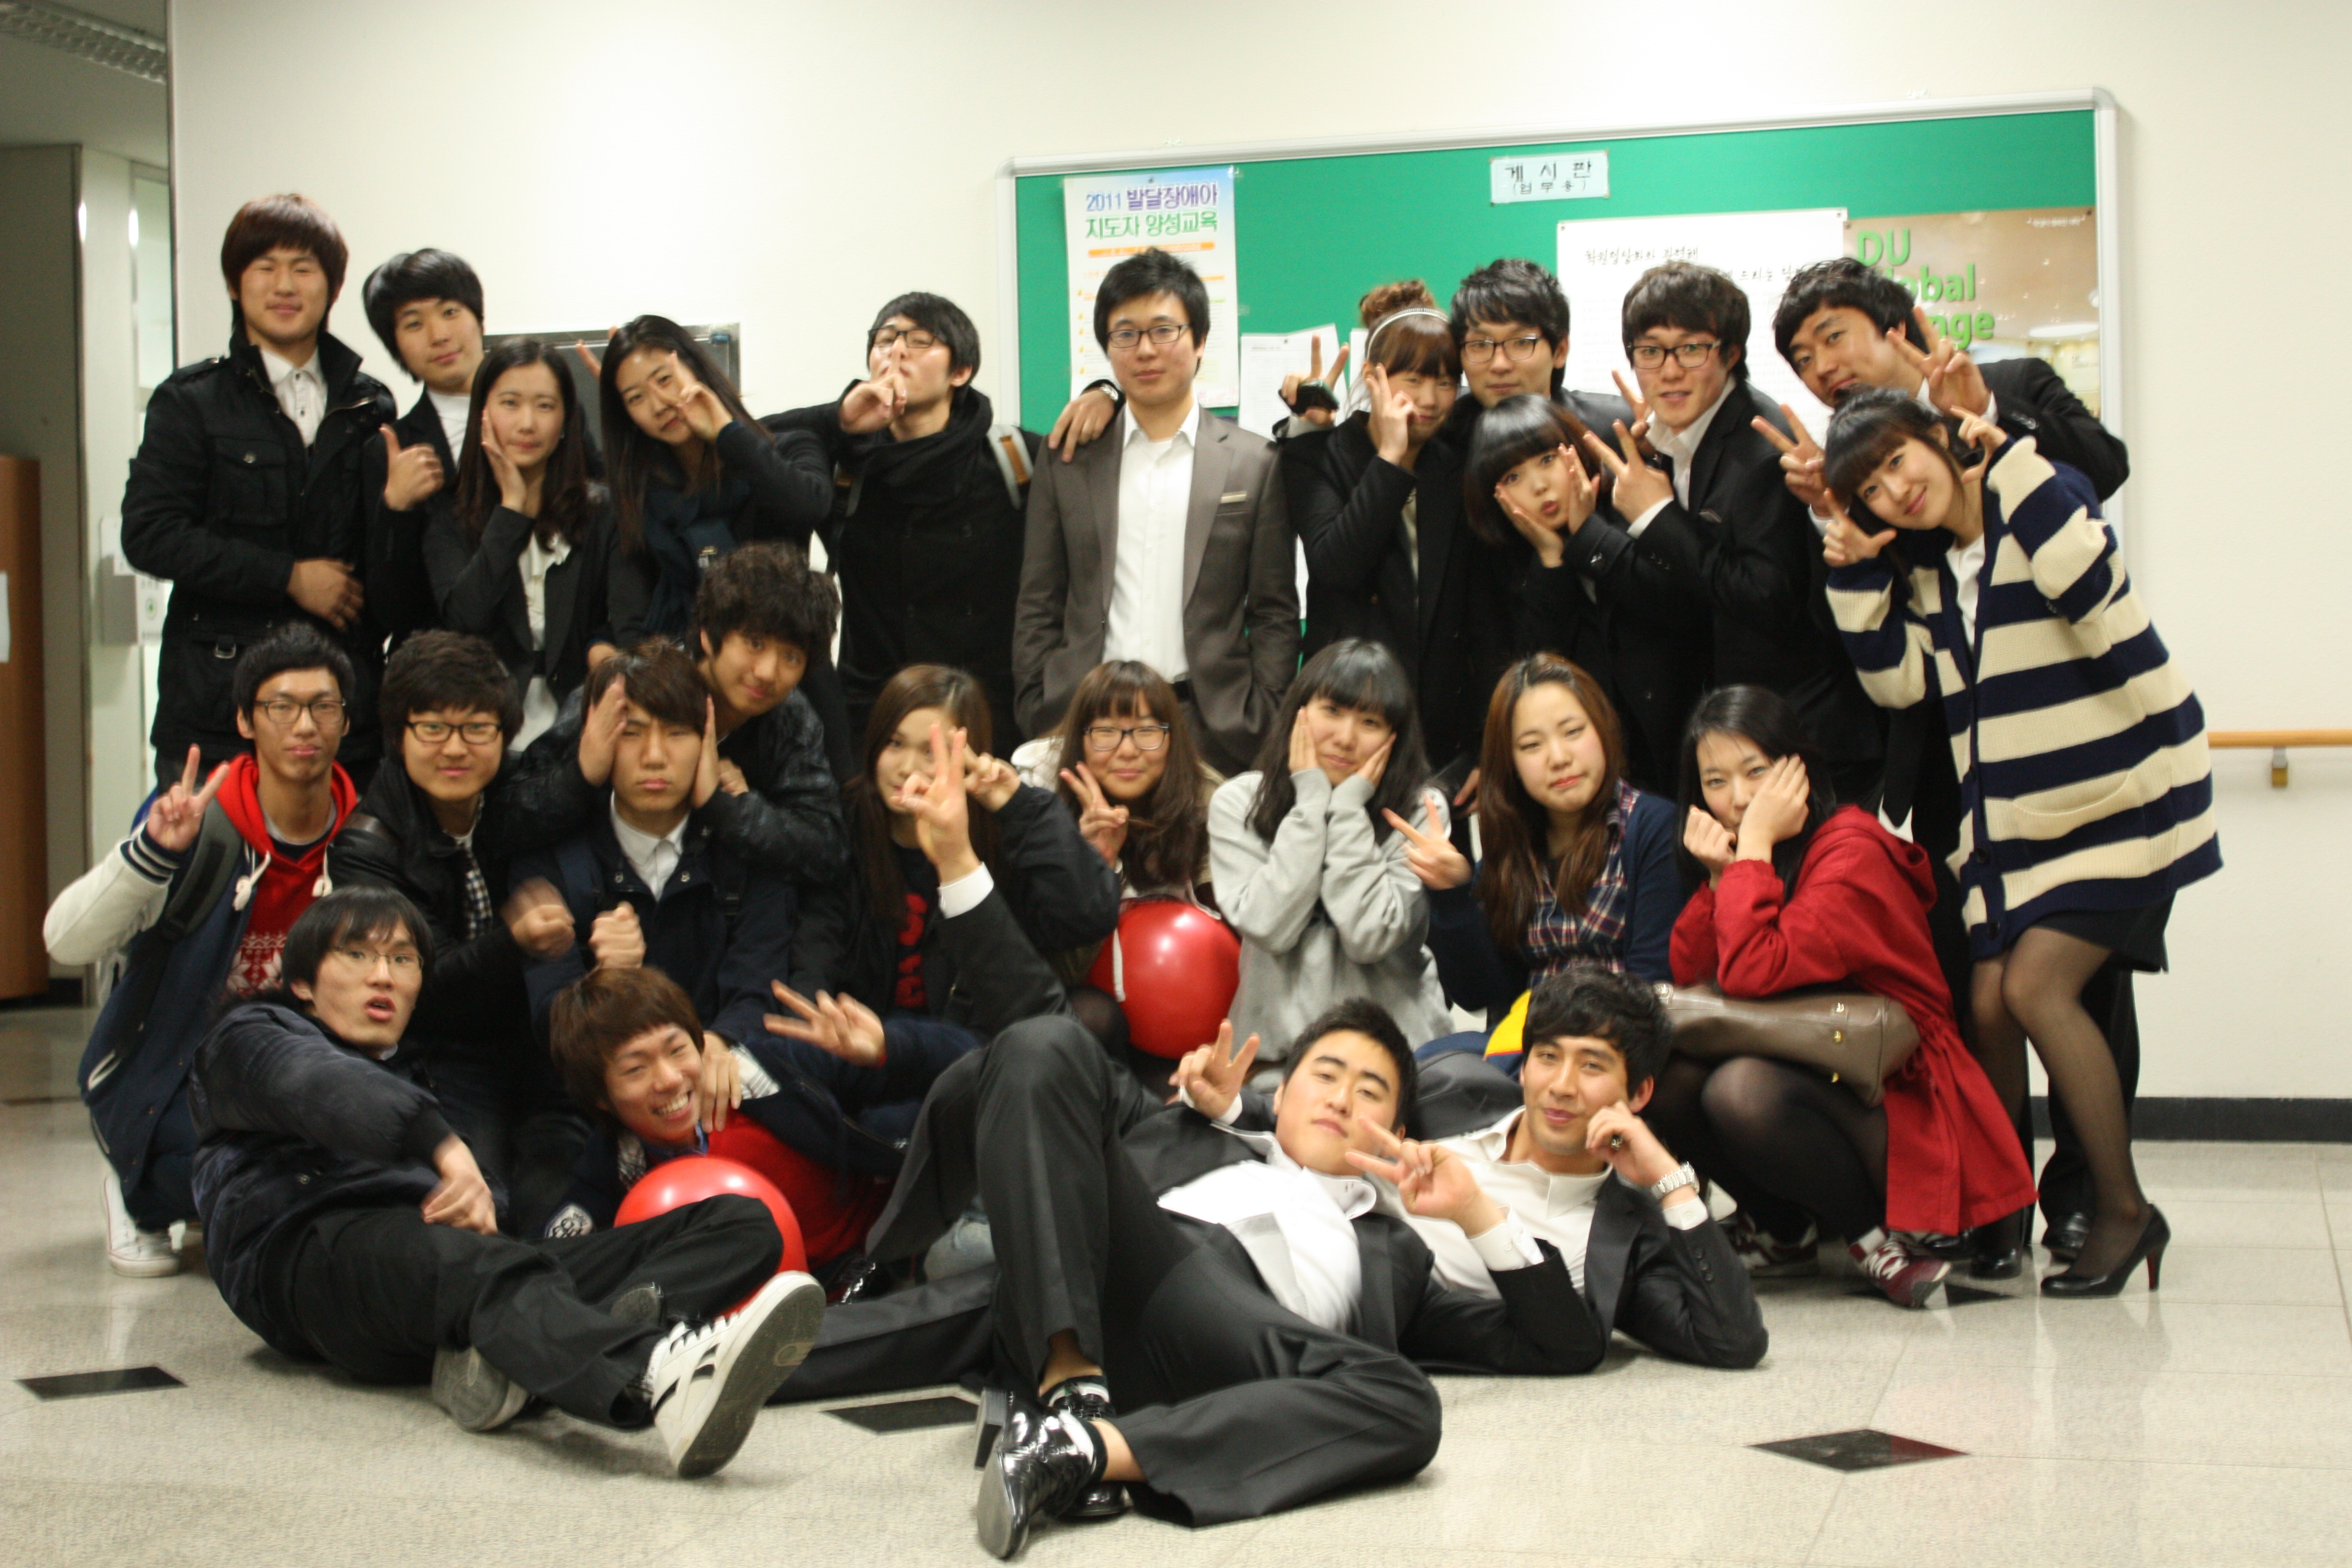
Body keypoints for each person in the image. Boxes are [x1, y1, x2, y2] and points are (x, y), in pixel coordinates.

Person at [829, 999, 1604, 1555]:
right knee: (1041, 1043)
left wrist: (1475, 1214)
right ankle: (1071, 1394)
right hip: (1101, 1273)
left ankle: (1081, 1443)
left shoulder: (1397, 1252)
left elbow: (1560, 1345)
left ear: (1395, 1132)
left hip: (1240, 1337)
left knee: (1407, 1401)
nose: (1341, 1098)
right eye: (1325, 1075)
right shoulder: (1183, 1126)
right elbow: (1032, 1072)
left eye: (1370, 1092)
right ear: (1280, 1092)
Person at [189, 886, 822, 1475]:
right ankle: (658, 1377)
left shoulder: (418, 1066)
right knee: (478, 1265)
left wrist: (481, 1203)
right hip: (310, 1255)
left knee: (742, 1223)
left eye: (403, 959)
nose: (383, 975)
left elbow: (490, 1203)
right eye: (357, 955)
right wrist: (444, 1149)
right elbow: (320, 1086)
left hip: (459, 1270)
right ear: (302, 981)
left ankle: (502, 1362)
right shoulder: (251, 1036)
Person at [1765, 257, 2137, 1254]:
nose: (1822, 365)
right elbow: (1860, 640)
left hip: (2069, 752)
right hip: (1951, 765)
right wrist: (1833, 517)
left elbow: (2102, 469)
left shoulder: (2005, 387)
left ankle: (2086, 1194)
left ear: (1896, 325)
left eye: (1833, 336)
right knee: (1975, 990)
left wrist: (1984, 420)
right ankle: (1996, 1205)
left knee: (2074, 987)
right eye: (1801, 357)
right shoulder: (1838, 468)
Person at [1821, 393, 2217, 1295]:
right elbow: (1899, 685)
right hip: (2020, 831)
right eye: (1871, 488)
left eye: (1898, 459)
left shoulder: (2034, 505)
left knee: (2036, 988)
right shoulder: (1935, 573)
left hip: (2119, 800)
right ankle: (2000, 1212)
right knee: (1990, 1001)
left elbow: (2088, 586)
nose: (1894, 489)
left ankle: (2123, 1211)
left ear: (1940, 439)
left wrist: (2011, 461)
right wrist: (1854, 573)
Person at [1651, 685, 2038, 1304]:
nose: (1739, 799)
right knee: (1669, 1077)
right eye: (1715, 782)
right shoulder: (1755, 855)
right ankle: (1783, 1232)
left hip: (1901, 1091)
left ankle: (1875, 1242)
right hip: (1813, 1066)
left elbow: (1753, 972)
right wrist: (1723, 875)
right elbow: (1699, 978)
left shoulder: (1850, 848)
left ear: (1799, 767)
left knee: (1740, 1089)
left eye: (1756, 771)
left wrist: (1751, 850)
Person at [1196, 965, 1767, 1366]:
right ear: (1524, 1065)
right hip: (1258, 1216)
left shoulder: (1624, 1238)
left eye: (1592, 1066)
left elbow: (1732, 1341)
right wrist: (1230, 1104)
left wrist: (1670, 1181)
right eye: (1547, 1057)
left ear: (1638, 1092)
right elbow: (1333, 1106)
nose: (1561, 1086)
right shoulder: (1452, 1093)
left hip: (1339, 1318)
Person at [48, 625, 361, 1275]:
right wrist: (153, 854)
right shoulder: (199, 824)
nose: (305, 725)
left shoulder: (364, 836)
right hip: (175, 1077)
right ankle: (138, 1192)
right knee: (269, 1178)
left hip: (299, 1076)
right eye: (281, 706)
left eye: (322, 706)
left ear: (345, 721)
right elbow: (65, 942)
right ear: (246, 720)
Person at [1576, 262, 1883, 799]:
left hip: (1800, 743)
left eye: (1692, 349)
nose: (1670, 371)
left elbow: (1765, 598)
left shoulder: (1761, 451)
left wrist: (1657, 515)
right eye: (1651, 351)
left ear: (1731, 353)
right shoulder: (1679, 437)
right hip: (1739, 739)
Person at [121, 194, 400, 785]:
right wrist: (287, 576)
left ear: (332, 286)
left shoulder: (369, 406)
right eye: (265, 267)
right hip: (217, 712)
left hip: (342, 711)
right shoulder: (191, 402)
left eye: (304, 268)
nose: (285, 285)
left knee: (350, 850)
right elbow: (150, 535)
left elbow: (386, 558)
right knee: (210, 850)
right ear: (234, 283)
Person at [329, 631, 602, 1233]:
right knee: (484, 1202)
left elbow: (572, 797)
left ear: (504, 734)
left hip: (535, 1039)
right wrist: (514, 939)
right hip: (439, 1053)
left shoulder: (513, 794)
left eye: (477, 728)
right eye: (433, 728)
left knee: (570, 1193)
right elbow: (421, 986)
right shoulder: (367, 847)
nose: (455, 748)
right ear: (399, 735)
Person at [1013, 247, 1297, 775]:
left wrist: (1264, 713)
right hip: (1084, 723)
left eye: (1164, 331)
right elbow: (1040, 598)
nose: (1145, 350)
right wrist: (1037, 700)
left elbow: (1274, 611)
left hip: (1213, 728)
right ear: (1107, 347)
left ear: (1200, 341)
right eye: (1125, 334)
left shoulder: (1255, 464)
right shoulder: (1069, 458)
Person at [541, 965, 980, 1289]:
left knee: (969, 1260)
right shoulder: (615, 1164)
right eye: (636, 1069)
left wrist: (887, 1046)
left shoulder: (765, 1073)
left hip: (900, 1254)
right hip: (790, 1324)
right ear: (601, 1097)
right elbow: (554, 1261)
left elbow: (974, 1063)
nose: (670, 1079)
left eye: (677, 1050)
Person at [764, 291, 1042, 743]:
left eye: (919, 340)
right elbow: (747, 437)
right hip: (875, 715)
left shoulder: (1015, 459)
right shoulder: (845, 466)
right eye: (885, 340)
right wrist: (838, 418)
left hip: (986, 713)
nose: (897, 351)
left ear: (961, 371)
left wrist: (1103, 393)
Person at [507, 643, 800, 1055]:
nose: (655, 757)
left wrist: (719, 1044)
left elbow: (759, 994)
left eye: (677, 733)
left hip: (717, 1074)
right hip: (596, 1086)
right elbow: (549, 1026)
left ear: (708, 741)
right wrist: (605, 983)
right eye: (631, 733)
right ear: (594, 738)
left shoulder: (746, 848)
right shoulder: (552, 857)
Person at [791, 665, 1117, 1035]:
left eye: (931, 752)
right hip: (860, 1038)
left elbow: (1088, 916)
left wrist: (1019, 806)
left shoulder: (996, 831)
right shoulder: (845, 822)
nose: (907, 768)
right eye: (895, 744)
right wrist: (818, 1023)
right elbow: (815, 947)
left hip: (970, 1046)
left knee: (1095, 1018)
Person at [598, 315, 853, 777]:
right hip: (687, 701)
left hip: (793, 690)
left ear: (697, 367)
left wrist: (725, 433)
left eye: (664, 380)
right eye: (635, 398)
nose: (658, 404)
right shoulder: (637, 497)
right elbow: (631, 621)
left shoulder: (786, 448)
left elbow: (806, 507)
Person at [514, 542, 846, 884]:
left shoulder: (790, 717)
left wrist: (727, 807)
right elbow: (507, 816)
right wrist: (581, 776)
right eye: (755, 643)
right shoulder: (632, 688)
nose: (766, 672)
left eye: (791, 657)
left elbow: (828, 849)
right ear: (708, 635)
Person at [1409, 655, 1681, 1055]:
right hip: (1526, 1044)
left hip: (1619, 1044)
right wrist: (1454, 894)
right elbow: (1479, 994)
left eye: (1573, 732)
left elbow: (1652, 983)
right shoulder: (1513, 846)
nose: (1558, 758)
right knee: (1434, 1059)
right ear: (1511, 763)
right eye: (1532, 745)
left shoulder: (1651, 826)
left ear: (1603, 729)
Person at [1280, 282, 1493, 785]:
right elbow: (1336, 565)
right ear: (1373, 376)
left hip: (1445, 727)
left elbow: (1482, 615)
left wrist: (1485, 745)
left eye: (1446, 383)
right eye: (1412, 379)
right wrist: (1391, 460)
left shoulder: (1460, 463)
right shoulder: (1320, 453)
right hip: (1348, 718)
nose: (1429, 399)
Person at [1208, 639, 1451, 1064]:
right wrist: (1311, 800)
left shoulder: (1420, 812)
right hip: (1275, 1060)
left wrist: (1349, 809)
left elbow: (1369, 937)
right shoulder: (1239, 802)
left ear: (1394, 737)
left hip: (1400, 1058)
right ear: (1299, 712)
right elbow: (1270, 926)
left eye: (1370, 722)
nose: (1346, 738)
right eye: (1332, 711)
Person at [1468, 394, 1708, 794]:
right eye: (1513, 478)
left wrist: (1589, 536)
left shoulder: (1630, 505)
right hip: (1590, 780)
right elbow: (1535, 679)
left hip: (1682, 757)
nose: (1540, 486)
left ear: (1576, 452)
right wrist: (1551, 562)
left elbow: (1682, 609)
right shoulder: (1505, 564)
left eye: (1548, 460)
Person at [426, 338, 640, 747]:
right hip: (479, 731)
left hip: (583, 727)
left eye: (545, 406)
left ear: (566, 420)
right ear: (482, 413)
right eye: (510, 403)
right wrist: (511, 510)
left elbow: (626, 622)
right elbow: (464, 621)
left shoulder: (603, 513)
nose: (527, 424)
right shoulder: (448, 514)